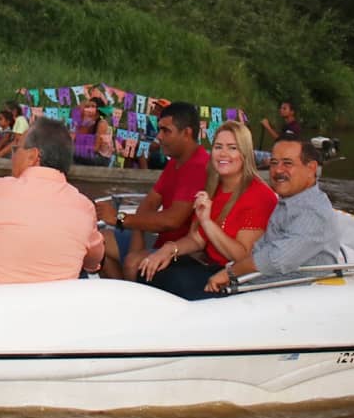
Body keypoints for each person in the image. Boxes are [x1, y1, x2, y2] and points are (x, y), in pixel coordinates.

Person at [0, 118, 104, 285]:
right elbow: (94, 260)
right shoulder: (84, 208)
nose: (13, 157)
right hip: (51, 308)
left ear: (33, 156)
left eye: (16, 149)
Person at [136, 121, 277, 300]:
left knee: (170, 281)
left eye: (232, 148)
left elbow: (241, 256)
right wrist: (169, 249)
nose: (223, 153)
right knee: (147, 269)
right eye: (218, 147)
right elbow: (197, 238)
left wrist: (207, 222)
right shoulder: (215, 187)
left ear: (245, 154)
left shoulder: (260, 195)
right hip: (207, 264)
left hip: (236, 278)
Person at [205, 138, 342, 292]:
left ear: (311, 168)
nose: (278, 170)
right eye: (274, 163)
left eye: (287, 163)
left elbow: (276, 259)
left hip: (291, 295)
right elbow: (261, 248)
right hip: (258, 285)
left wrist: (229, 273)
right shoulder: (289, 201)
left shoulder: (313, 212)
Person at [95, 102, 209, 280]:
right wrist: (134, 236)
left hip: (185, 251)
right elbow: (149, 203)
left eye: (166, 131)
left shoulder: (199, 166)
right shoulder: (175, 161)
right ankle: (122, 295)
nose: (159, 137)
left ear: (187, 133)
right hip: (160, 243)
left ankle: (131, 301)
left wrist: (121, 219)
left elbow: (172, 220)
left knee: (132, 261)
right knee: (97, 242)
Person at [73, 96, 115, 167]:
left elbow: (96, 148)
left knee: (72, 153)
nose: (90, 109)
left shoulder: (102, 123)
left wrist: (78, 149)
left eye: (93, 106)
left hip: (101, 158)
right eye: (88, 106)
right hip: (90, 154)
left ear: (98, 109)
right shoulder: (88, 122)